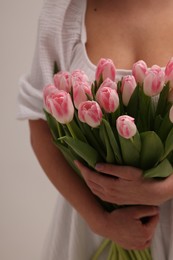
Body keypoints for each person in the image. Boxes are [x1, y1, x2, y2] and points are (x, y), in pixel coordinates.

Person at [17, 0, 173, 259]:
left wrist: (166, 189)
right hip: (90, 224)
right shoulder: (62, 11)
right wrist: (101, 222)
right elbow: (40, 122)